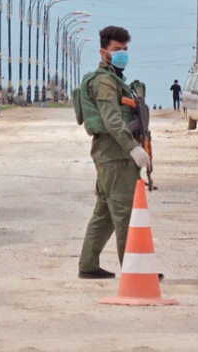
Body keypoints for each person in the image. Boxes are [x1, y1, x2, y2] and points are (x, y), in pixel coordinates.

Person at [75, 26, 150, 279]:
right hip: (116, 155)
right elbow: (112, 120)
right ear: (103, 52)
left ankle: (88, 265)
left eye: (125, 50)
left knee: (105, 213)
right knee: (125, 213)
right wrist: (133, 147)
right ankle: (134, 271)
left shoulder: (116, 80)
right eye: (117, 50)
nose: (122, 55)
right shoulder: (105, 81)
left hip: (111, 155)